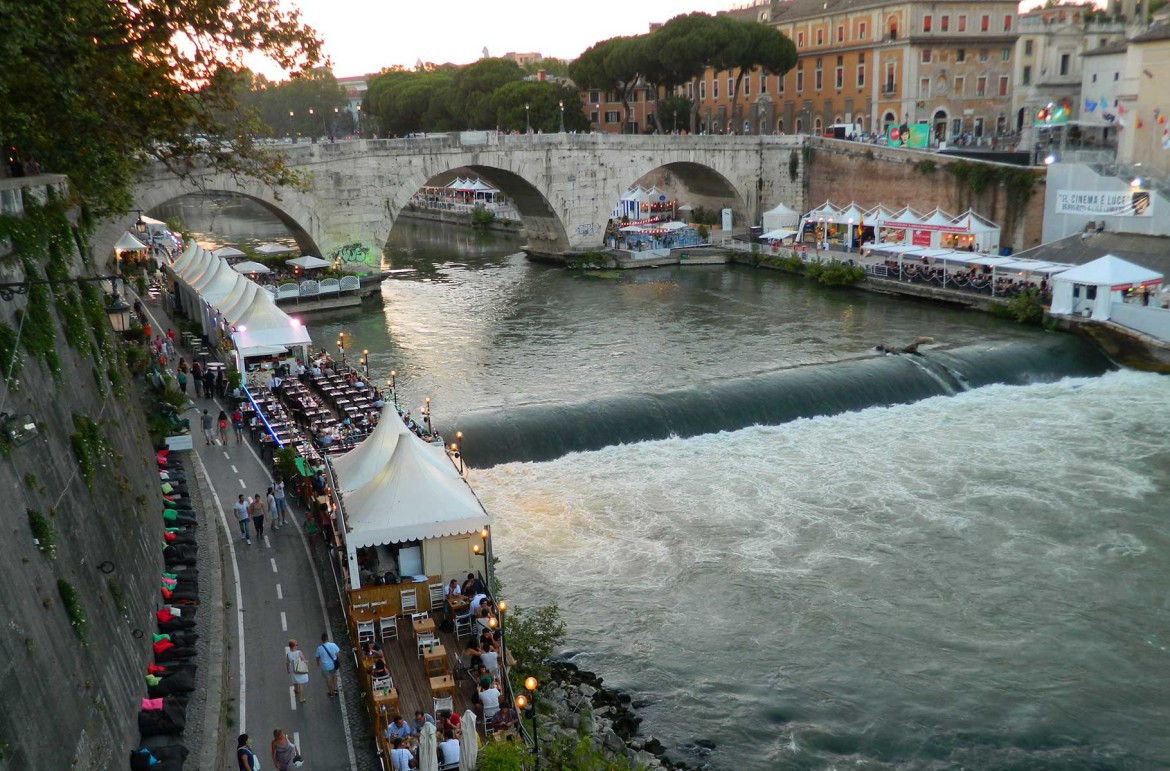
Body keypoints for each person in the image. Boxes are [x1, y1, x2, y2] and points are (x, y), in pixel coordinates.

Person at [315, 632, 341, 697]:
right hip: (333, 665)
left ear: (322, 640)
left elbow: (317, 657)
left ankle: (330, 692)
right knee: (334, 676)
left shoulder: (319, 648)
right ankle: (335, 689)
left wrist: (318, 663)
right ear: (327, 639)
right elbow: (338, 654)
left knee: (328, 679)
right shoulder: (333, 645)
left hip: (325, 666)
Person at [286, 639, 309, 703]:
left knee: (295, 681)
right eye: (296, 644)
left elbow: (287, 663)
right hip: (299, 668)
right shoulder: (299, 652)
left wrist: (288, 670)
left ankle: (296, 690)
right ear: (293, 646)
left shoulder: (289, 654)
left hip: (293, 670)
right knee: (300, 684)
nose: (297, 645)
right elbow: (303, 659)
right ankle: (301, 698)